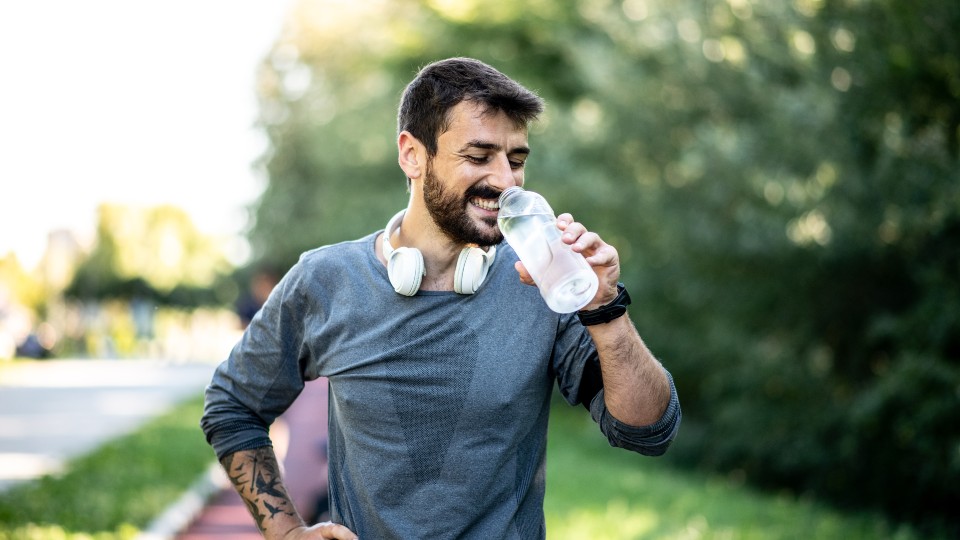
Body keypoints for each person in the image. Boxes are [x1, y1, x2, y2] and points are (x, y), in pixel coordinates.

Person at [201, 57, 681, 540]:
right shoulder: (326, 280)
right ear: (412, 155)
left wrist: (605, 309)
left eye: (516, 161)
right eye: (479, 156)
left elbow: (647, 431)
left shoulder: (545, 279)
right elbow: (233, 404)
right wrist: (285, 532)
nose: (506, 181)